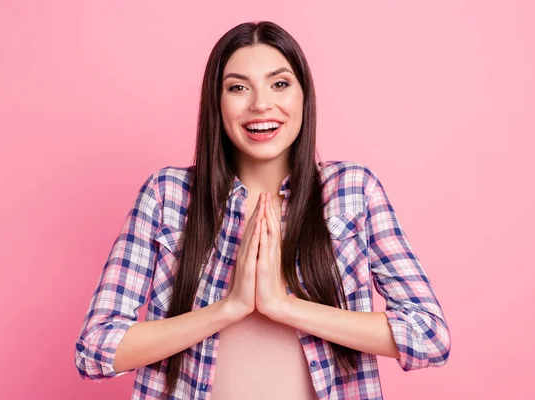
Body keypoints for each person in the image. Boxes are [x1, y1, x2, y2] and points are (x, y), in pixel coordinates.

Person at [74, 20, 451, 400]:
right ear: (216, 103)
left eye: (280, 84)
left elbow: (429, 335)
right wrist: (230, 307)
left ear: (304, 96)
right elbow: (96, 348)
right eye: (238, 87)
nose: (260, 103)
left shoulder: (352, 191)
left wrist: (282, 306)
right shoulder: (168, 195)